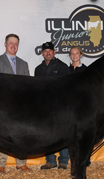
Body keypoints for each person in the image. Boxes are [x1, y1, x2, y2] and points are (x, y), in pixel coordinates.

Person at [0, 33, 31, 173]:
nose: (13, 46)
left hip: (20, 105)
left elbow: (28, 86)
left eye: (16, 44)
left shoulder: (23, 64)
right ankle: (0, 164)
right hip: (4, 105)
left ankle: (21, 162)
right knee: (2, 134)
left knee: (21, 134)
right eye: (11, 43)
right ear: (5, 44)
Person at [35, 42, 70, 170]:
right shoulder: (38, 69)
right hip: (44, 106)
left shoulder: (63, 67)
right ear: (42, 53)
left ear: (54, 52)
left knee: (63, 132)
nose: (48, 53)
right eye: (45, 51)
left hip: (60, 105)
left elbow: (68, 87)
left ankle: (63, 160)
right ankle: (50, 160)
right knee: (47, 133)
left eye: (50, 51)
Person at [68, 46, 91, 166]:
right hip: (68, 107)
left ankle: (85, 160)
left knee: (83, 133)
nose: (74, 55)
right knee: (71, 133)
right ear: (70, 56)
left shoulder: (87, 71)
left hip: (82, 106)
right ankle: (74, 159)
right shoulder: (66, 71)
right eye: (72, 54)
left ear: (81, 55)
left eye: (77, 53)